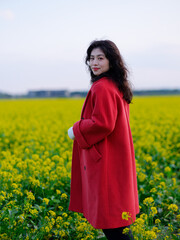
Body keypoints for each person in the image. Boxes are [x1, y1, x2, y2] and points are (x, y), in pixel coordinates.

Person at [67, 40, 139, 240]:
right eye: (91, 58)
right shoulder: (116, 85)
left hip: (106, 161)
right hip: (116, 158)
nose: (94, 63)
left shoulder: (102, 87)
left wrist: (76, 129)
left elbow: (104, 124)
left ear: (111, 60)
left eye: (100, 58)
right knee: (119, 222)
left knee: (112, 223)